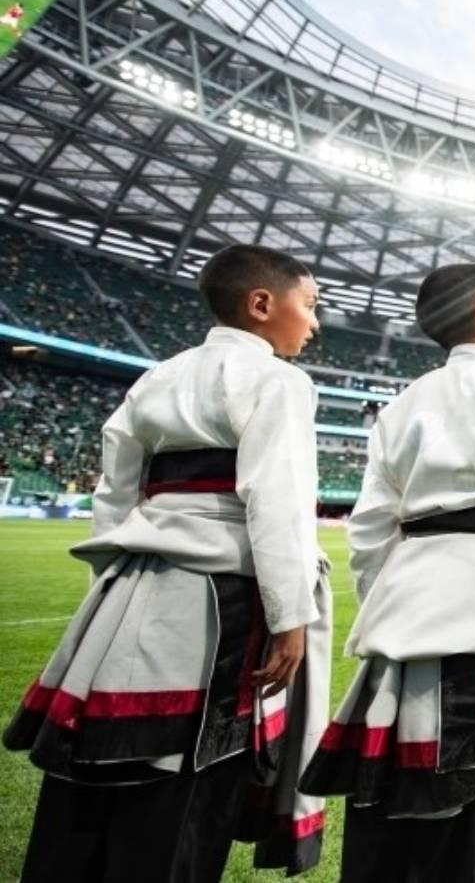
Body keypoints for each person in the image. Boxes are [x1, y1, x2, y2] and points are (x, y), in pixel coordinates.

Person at [4, 243, 333, 881]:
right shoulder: (279, 381)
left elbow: (113, 491)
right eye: (310, 305)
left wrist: (117, 574)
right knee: (187, 789)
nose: (315, 323)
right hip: (219, 607)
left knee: (91, 780)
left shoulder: (157, 376)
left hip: (127, 595)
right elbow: (276, 498)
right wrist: (290, 615)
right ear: (261, 304)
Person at [300, 263, 475, 882]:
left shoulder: (402, 406)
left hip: (402, 639)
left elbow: (370, 531)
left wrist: (397, 610)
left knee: (391, 830)